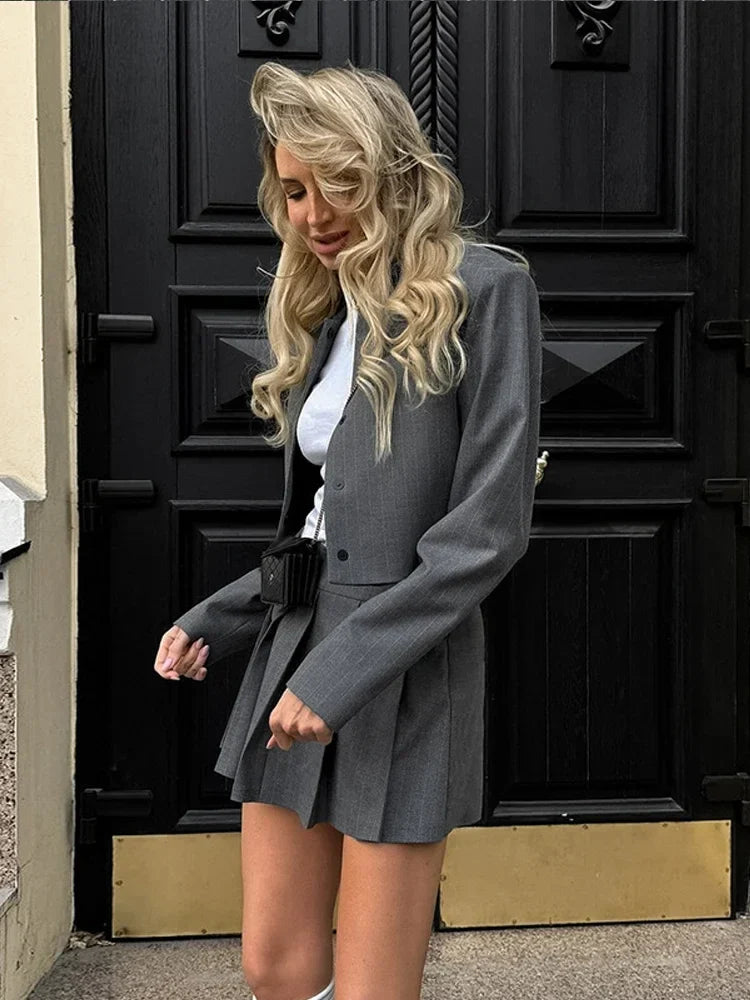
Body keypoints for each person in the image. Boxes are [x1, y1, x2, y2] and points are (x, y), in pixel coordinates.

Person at [153, 61, 542, 1000]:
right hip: (296, 646)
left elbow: (485, 532)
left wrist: (341, 674)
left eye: (338, 185)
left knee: (374, 987)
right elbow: (323, 524)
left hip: (404, 664)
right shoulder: (328, 312)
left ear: (393, 174)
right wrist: (221, 617)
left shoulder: (485, 289)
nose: (312, 216)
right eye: (294, 190)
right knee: (276, 966)